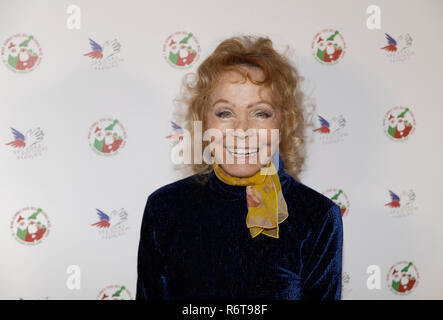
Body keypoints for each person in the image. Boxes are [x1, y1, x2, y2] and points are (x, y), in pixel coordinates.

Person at [136, 35, 343, 300]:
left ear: (283, 123)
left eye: (260, 113)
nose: (242, 130)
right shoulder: (165, 207)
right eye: (225, 113)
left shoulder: (318, 216)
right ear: (204, 122)